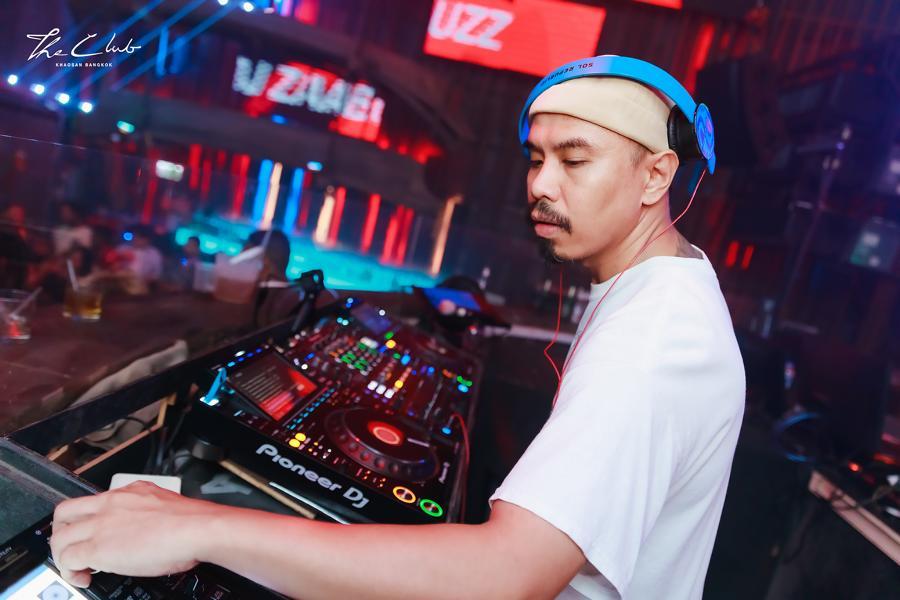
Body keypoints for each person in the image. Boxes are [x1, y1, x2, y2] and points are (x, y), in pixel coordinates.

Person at [51, 56, 745, 599]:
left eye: (574, 159)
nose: (539, 183)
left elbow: (505, 575)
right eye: (537, 158)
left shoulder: (655, 339)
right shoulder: (660, 293)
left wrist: (199, 526)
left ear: (656, 176)